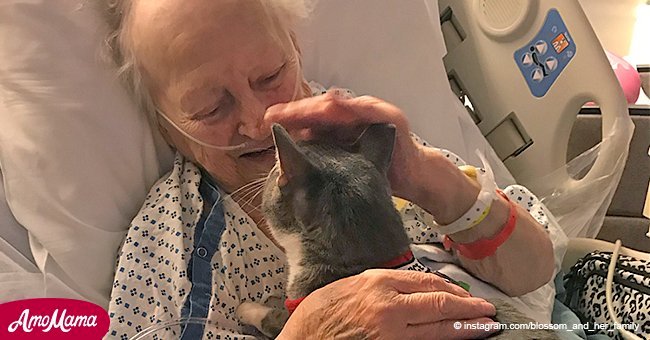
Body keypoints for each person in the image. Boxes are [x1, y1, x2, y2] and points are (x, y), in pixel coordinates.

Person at [104, 0, 560, 338]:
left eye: (269, 76)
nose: (259, 119)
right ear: (167, 128)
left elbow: (536, 274)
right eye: (210, 108)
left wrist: (427, 178)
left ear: (295, 50)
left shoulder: (355, 137)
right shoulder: (171, 240)